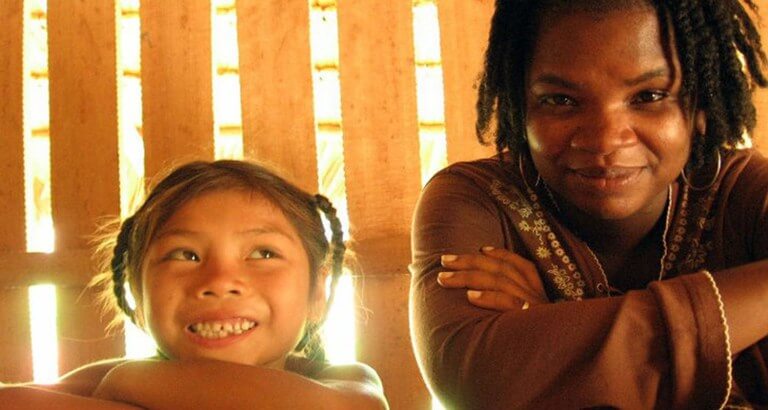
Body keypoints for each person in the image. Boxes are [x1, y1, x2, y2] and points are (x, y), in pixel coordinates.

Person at [410, 0, 768, 408]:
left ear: (701, 104)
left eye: (648, 96)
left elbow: (519, 386)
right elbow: (474, 384)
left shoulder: (747, 196)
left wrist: (552, 337)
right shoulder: (474, 202)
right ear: (520, 104)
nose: (604, 139)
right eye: (561, 100)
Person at [2, 160, 388, 409]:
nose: (219, 281)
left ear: (318, 292)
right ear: (137, 293)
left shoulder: (343, 381)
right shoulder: (103, 378)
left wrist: (130, 382)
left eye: (263, 253)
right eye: (185, 255)